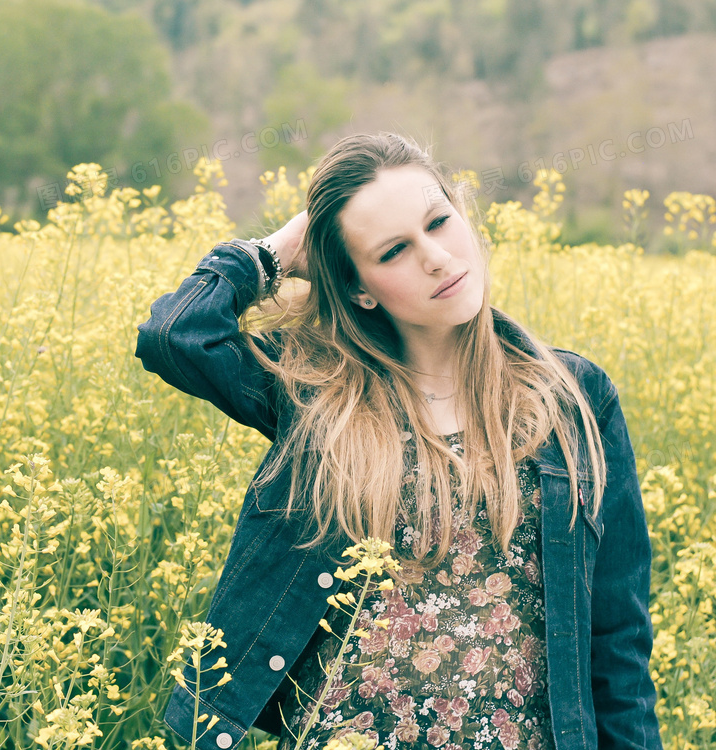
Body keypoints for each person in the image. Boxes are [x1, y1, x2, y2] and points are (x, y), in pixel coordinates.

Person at [134, 132, 661, 750]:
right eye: (393, 252)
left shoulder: (571, 398)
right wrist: (272, 255)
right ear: (358, 288)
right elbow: (176, 336)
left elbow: (617, 641)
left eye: (440, 221)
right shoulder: (318, 392)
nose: (436, 257)